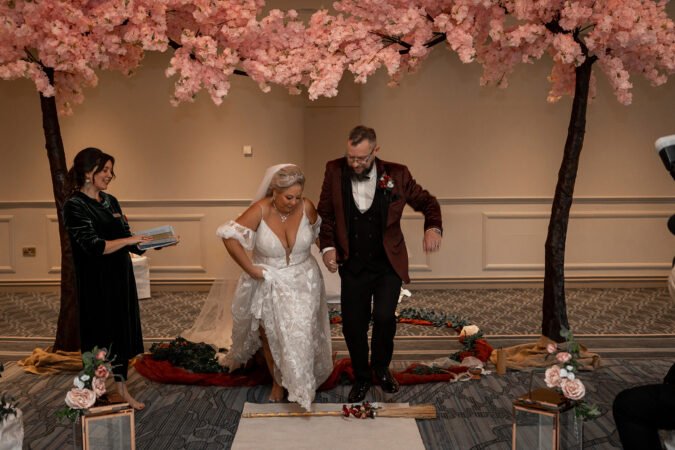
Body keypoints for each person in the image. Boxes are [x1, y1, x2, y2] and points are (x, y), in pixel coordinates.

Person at [188, 164, 333, 410]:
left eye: (298, 197)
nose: (294, 202)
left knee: (303, 331)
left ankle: (302, 381)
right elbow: (228, 236)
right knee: (271, 334)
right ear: (274, 192)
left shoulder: (306, 206)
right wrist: (251, 269)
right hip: (269, 280)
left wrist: (328, 252)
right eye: (288, 197)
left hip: (304, 280)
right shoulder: (260, 210)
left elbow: (318, 233)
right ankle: (277, 381)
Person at [317, 125, 443, 403]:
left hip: (387, 263)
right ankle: (362, 377)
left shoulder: (397, 174)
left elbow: (427, 202)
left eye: (361, 158)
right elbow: (325, 214)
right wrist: (327, 247)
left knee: (385, 317)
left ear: (375, 150)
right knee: (353, 325)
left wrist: (433, 228)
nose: (355, 164)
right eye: (351, 157)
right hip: (353, 263)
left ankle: (381, 369)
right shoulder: (334, 170)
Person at [63, 147, 154, 410]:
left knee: (122, 337)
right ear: (87, 172)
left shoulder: (111, 201)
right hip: (96, 284)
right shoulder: (74, 206)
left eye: (111, 170)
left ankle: (123, 391)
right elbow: (95, 246)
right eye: (104, 170)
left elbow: (126, 238)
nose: (109, 175)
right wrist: (130, 240)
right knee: (99, 338)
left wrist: (154, 242)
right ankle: (92, 393)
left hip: (121, 280)